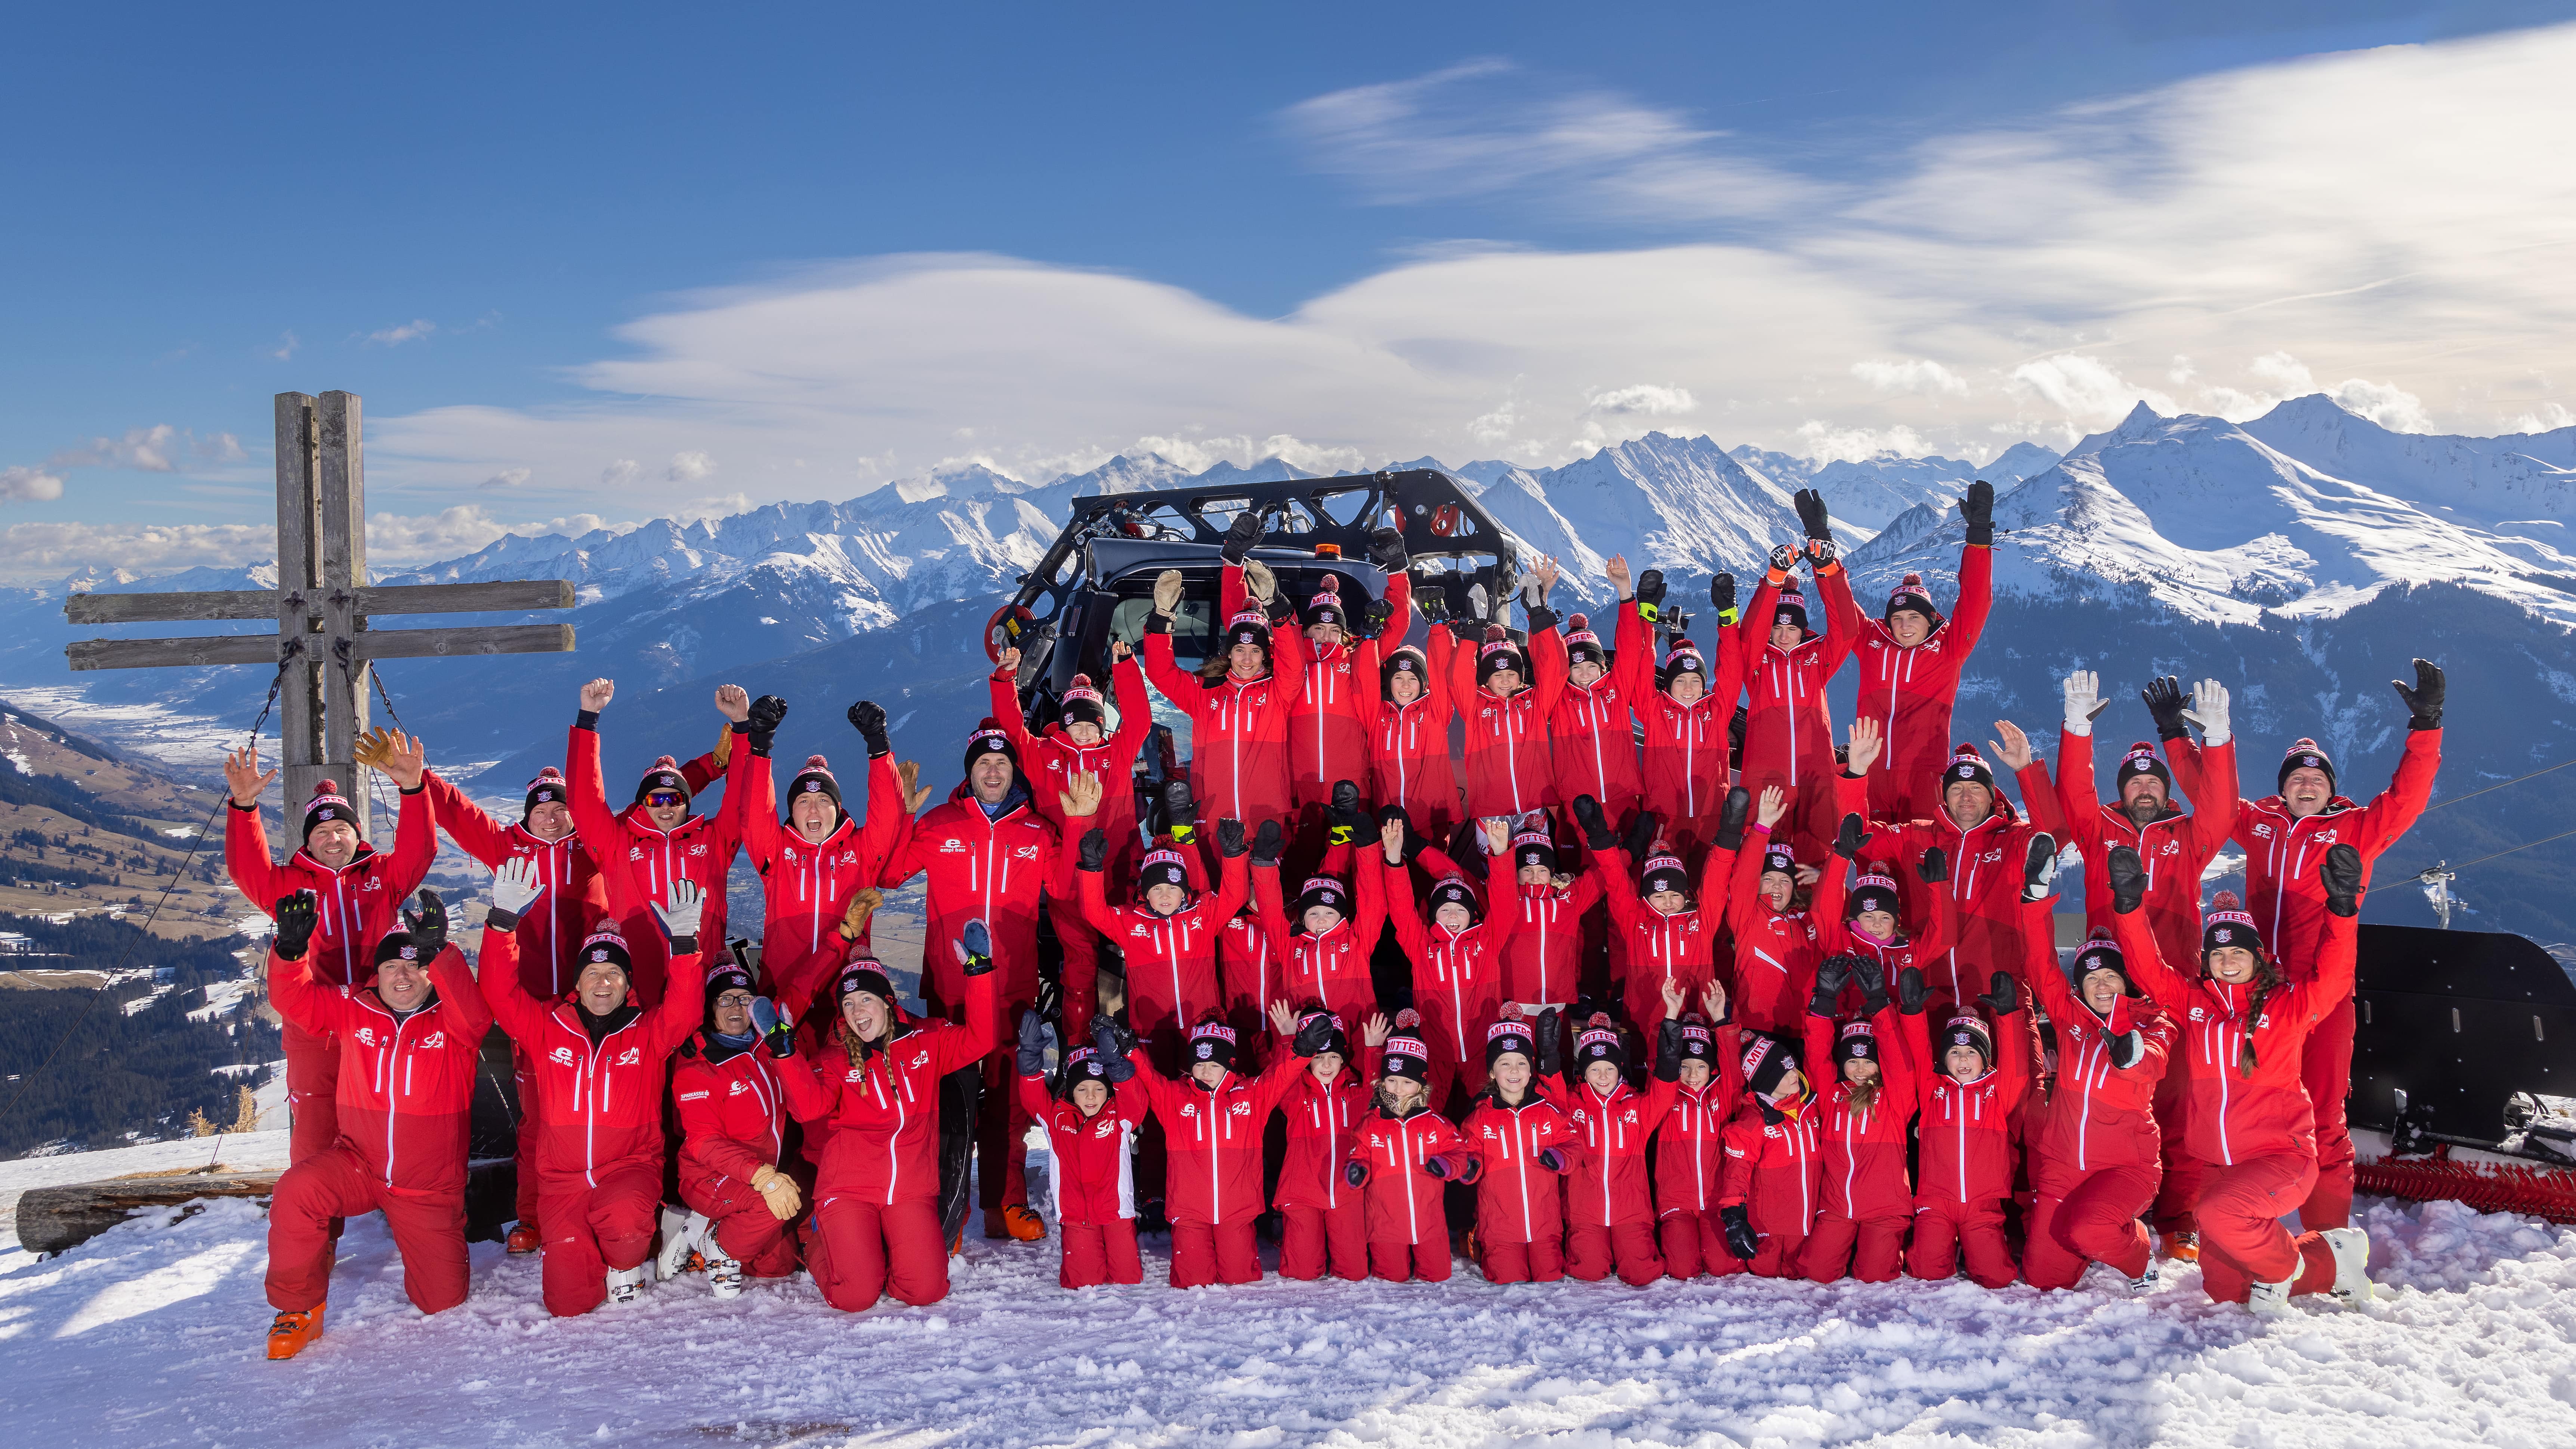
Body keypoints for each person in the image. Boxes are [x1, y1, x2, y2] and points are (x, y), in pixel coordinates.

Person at [2179, 660, 2443, 1233]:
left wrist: (2426, 727)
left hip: (2319, 996)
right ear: (2282, 787)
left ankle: (2329, 1240)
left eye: (2317, 777)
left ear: (2331, 787)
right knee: (2240, 1110)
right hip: (2254, 998)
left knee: (2323, 1116)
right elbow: (2213, 796)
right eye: (2295, 777)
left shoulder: (2355, 829)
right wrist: (2178, 739)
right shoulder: (2261, 825)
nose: (2305, 783)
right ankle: (2235, 1223)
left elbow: (2407, 798)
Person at [2106, 845, 2375, 1311]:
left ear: (2257, 957)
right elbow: (2148, 970)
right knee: (2225, 1291)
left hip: (2280, 1157)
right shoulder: (2195, 1007)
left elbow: (2332, 977)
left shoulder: (2286, 1007)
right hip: (2218, 1167)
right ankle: (2329, 1258)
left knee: (2218, 1214)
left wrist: (2342, 909)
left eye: (2238, 952)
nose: (2227, 961)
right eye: (2218, 953)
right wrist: (2128, 907)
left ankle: (2283, 1270)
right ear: (2205, 960)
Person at [378, 733, 603, 1256]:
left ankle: (597, 1209)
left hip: (590, 1006)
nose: (551, 817)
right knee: (537, 1121)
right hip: (529, 1011)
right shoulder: (508, 849)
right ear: (529, 815)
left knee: (597, 1115)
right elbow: (459, 814)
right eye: (541, 809)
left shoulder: (592, 847)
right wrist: (416, 778)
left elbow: (643, 815)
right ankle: (533, 1217)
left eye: (560, 808)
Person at [2055, 673, 2236, 1260]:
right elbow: (2073, 793)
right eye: (2133, 782)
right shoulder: (2098, 831)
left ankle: (2179, 1214)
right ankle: (2108, 1205)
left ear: (2164, 790)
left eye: (2151, 782)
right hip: (2105, 991)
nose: (2142, 790)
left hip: (2173, 989)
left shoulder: (2188, 836)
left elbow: (2221, 805)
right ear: (2122, 790)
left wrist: (2214, 740)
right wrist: (2077, 727)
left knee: (2179, 1105)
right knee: (2109, 1103)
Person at [259, 888, 484, 1359]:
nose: (402, 976)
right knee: (298, 1189)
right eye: (390, 967)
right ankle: (298, 1309)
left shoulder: (453, 1021)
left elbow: (477, 1015)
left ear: (430, 973)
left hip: (426, 1185)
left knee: (441, 1300)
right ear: (375, 974)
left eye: (414, 966)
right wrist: (290, 952)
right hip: (359, 1164)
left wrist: (441, 952)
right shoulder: (353, 1007)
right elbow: (294, 1000)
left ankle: (438, 1240)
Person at [476, 861, 708, 1316]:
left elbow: (685, 1010)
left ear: (627, 983)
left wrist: (685, 947)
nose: (604, 982)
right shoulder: (548, 1027)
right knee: (567, 1303)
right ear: (577, 983)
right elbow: (500, 993)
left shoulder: (647, 1031)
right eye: (593, 975)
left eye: (614, 975)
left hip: (628, 1168)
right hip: (563, 1182)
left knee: (623, 1234)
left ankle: (631, 1251)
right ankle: (604, 1249)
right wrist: (502, 922)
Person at [876, 713, 1059, 1242]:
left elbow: (1067, 886)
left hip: (1012, 991)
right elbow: (888, 874)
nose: (994, 771)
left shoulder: (1035, 831)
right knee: (949, 1105)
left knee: (1007, 1106)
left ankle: (1006, 1205)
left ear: (1013, 771)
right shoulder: (938, 823)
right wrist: (902, 817)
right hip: (951, 991)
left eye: (1002, 763)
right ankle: (948, 1212)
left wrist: (1079, 823)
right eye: (985, 763)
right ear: (970, 771)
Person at [222, 731, 436, 1167]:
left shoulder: (383, 874)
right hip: (313, 1019)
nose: (333, 838)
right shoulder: (288, 883)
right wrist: (244, 807)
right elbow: (248, 869)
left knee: (383, 1114)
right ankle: (316, 1219)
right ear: (308, 841)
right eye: (322, 832)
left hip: (379, 1012)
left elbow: (421, 849)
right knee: (317, 1125)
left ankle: (385, 1201)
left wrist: (413, 790)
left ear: (357, 833)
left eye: (342, 828)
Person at [773, 923, 1002, 1311]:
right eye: (848, 1005)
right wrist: (785, 1054)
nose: (857, 1012)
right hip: (848, 1190)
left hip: (909, 1189)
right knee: (856, 1295)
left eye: (865, 1000)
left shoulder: (924, 1042)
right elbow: (807, 1107)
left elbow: (980, 1039)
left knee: (926, 1289)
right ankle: (818, 1244)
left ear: (888, 1000)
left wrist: (979, 975)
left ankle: (878, 1259)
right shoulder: (833, 1059)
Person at [2014, 885, 2174, 1294]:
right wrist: (2034, 903)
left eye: (2110, 976)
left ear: (2125, 980)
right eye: (2090, 978)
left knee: (2087, 1229)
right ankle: (2100, 1229)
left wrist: (2131, 1055)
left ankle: (2137, 1255)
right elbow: (2040, 964)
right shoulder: (2070, 1019)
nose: (2101, 986)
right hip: (2064, 1165)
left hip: (2124, 1166)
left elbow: (2152, 1061)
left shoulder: (2150, 1023)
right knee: (2042, 1279)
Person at [991, 641, 1153, 1041]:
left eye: (1091, 725)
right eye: (1076, 724)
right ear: (1063, 724)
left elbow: (1141, 721)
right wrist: (1004, 679)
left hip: (1117, 875)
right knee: (1079, 965)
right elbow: (1012, 727)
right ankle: (1078, 1050)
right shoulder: (1043, 754)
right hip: (1068, 882)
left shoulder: (1115, 752)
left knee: (1128, 960)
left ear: (1101, 726)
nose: (1083, 732)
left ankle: (1132, 1046)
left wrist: (1126, 668)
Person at [1851, 720, 2061, 1025]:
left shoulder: (2013, 838)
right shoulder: (1917, 836)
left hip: (2001, 994)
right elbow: (1859, 838)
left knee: (2019, 1071)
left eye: (1976, 788)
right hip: (1927, 997)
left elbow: (2053, 838)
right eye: (1957, 788)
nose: (1966, 797)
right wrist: (1856, 774)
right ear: (1944, 797)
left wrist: (2025, 770)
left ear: (1992, 796)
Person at [564, 679, 756, 1006]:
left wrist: (743, 727)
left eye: (676, 798)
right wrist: (588, 719)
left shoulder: (713, 839)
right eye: (656, 799)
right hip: (639, 988)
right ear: (642, 804)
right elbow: (584, 801)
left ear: (687, 801)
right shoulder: (618, 843)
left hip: (701, 980)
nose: (666, 806)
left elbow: (743, 797)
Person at [1097, 1004, 1315, 1288]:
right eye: (1199, 1064)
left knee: (1239, 1280)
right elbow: (1150, 1077)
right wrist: (1129, 1048)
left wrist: (1302, 1050)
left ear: (1230, 1063)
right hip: (1189, 1212)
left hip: (1237, 1211)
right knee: (1193, 1282)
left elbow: (1281, 1075)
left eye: (1214, 1065)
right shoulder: (1175, 1096)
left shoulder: (1250, 1096)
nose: (1206, 1072)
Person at [737, 699, 923, 1014]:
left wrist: (879, 746)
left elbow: (888, 817)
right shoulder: (777, 853)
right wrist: (760, 745)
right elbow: (755, 812)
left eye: (824, 799)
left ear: (837, 810)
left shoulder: (860, 850)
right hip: (783, 992)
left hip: (847, 1000)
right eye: (803, 800)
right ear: (791, 811)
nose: (813, 809)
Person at [1836, 483, 1996, 822]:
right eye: (1897, 618)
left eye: (1914, 618)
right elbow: (1842, 607)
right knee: (1871, 861)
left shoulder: (1950, 648)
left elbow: (1976, 602)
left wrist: (1978, 541)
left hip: (1924, 778)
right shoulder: (1871, 643)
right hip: (1871, 771)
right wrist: (1828, 566)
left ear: (1930, 620)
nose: (1905, 626)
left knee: (1923, 868)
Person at [1067, 770, 1252, 1060]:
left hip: (1201, 1026)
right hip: (1152, 1030)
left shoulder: (1201, 916)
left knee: (1199, 1088)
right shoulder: (1132, 921)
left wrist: (1234, 856)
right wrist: (1090, 870)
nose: (1165, 895)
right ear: (1144, 892)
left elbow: (1235, 896)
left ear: (1185, 892)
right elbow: (1093, 912)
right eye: (1157, 889)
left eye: (1172, 888)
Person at [661, 956, 806, 1299]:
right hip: (707, 1175)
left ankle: (697, 1229)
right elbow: (703, 1143)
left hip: (755, 1174)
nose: (736, 1007)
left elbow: (804, 986)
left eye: (744, 998)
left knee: (778, 1267)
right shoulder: (699, 1066)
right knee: (773, 1204)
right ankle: (716, 1246)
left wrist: (843, 936)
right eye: (724, 999)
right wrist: (763, 1177)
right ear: (711, 1009)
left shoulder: (765, 1044)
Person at [1141, 558, 1309, 836]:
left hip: (1265, 814)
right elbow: (1161, 672)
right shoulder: (1204, 692)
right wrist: (1161, 617)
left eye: (1255, 650)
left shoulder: (1277, 692)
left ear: (1265, 654)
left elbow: (1293, 661)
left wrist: (1277, 606)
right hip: (1213, 814)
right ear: (1228, 652)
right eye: (1240, 650)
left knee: (1265, 880)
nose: (1247, 658)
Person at [1735, 492, 1858, 860]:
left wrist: (1829, 570)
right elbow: (1749, 634)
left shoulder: (1817, 658)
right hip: (1765, 780)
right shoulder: (1757, 663)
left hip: (1813, 776)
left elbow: (1846, 629)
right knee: (1759, 863)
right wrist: (1773, 580)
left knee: (1815, 859)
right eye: (1778, 628)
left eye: (1792, 628)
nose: (1784, 634)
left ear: (1803, 630)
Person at [1537, 986, 1687, 1286]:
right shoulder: (1573, 1104)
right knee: (1589, 1271)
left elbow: (1665, 1088)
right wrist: (1548, 1054)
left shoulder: (1636, 1106)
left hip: (1631, 1212)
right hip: (1585, 1212)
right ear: (1583, 1071)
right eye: (1595, 1069)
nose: (1603, 1076)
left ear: (1620, 1067)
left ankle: (1626, 1249)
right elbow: (1551, 1092)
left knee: (1642, 1274)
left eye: (1609, 1068)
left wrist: (1671, 1019)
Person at [1898, 965, 2029, 1289]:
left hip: (1982, 1203)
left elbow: (2015, 1064)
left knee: (1996, 1277)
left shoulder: (1996, 1094)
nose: (1963, 1059)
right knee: (1926, 1271)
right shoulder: (1932, 1088)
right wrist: (1912, 1013)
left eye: (1972, 1052)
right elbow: (1918, 1052)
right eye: (1954, 1052)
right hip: (1935, 1200)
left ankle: (1971, 1245)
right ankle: (1945, 1245)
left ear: (1985, 1059)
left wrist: (2008, 1015)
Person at [1377, 813, 1520, 1102]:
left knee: (1485, 1116)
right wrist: (1393, 860)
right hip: (1435, 1053)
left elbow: (1506, 906)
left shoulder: (1486, 941)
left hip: (1481, 1050)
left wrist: (1501, 855)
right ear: (1432, 916)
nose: (1453, 915)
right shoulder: (1421, 945)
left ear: (1473, 916)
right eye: (1445, 909)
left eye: (1461, 909)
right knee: (1425, 1114)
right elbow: (1402, 910)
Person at [1610, 555, 1743, 864]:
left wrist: (1728, 616)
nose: (1686, 688)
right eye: (1679, 681)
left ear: (1703, 683)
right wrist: (1645, 612)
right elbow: (1642, 665)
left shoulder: (1717, 710)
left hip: (1711, 817)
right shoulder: (1654, 710)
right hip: (1663, 818)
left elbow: (1733, 668)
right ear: (1667, 685)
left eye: (1694, 680)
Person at [1795, 957, 1916, 1284]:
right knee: (1817, 1274)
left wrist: (1879, 1004)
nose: (1860, 1069)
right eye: (1852, 1060)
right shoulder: (1831, 1094)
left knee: (1875, 1276)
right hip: (1837, 1208)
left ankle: (1887, 1249)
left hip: (1885, 1209)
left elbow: (1894, 1054)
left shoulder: (1895, 1098)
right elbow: (1816, 1053)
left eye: (1867, 1061)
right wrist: (1823, 1002)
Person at [1014, 1013, 1151, 1289]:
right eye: (1083, 1089)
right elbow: (1032, 1097)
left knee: (1127, 1280)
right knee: (1083, 1282)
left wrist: (1116, 1066)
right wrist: (1029, 1058)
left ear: (1108, 1091)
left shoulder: (1120, 1116)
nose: (1091, 1096)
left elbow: (1136, 1098)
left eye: (1099, 1088)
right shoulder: (1056, 1118)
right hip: (1077, 1216)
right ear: (1070, 1092)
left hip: (1116, 1213)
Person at [1343, 1009, 1477, 1282]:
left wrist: (1446, 1166)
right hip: (1385, 1225)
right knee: (1392, 1278)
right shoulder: (1372, 1122)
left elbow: (1458, 1153)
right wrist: (1357, 1170)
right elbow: (1359, 1153)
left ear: (1420, 1085)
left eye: (1407, 1082)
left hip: (1429, 1225)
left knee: (1437, 1276)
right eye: (1391, 1080)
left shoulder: (1436, 1122)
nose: (1398, 1089)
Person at [1572, 795, 1724, 1035]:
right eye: (1659, 896)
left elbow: (1717, 880)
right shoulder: (1635, 921)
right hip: (1645, 1028)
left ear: (1686, 895)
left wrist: (1730, 836)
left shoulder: (1701, 921)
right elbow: (1617, 880)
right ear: (1646, 898)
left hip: (1695, 1025)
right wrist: (1600, 839)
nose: (1668, 903)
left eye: (1674, 895)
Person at [1456, 1007, 1583, 1283]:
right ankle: (1480, 1243)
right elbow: (1467, 1151)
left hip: (1544, 1225)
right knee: (1507, 1279)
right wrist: (1470, 1166)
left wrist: (1561, 1157)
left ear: (1531, 1068)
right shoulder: (1480, 1116)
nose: (1514, 1071)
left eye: (1521, 1063)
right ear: (1492, 1072)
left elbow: (1572, 1142)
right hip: (1500, 1228)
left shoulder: (1547, 1110)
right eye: (1505, 1063)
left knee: (1548, 1278)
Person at [1444, 560, 1569, 822]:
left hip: (1535, 807)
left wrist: (1539, 615)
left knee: (1533, 866)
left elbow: (1556, 668)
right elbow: (1457, 677)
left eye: (1511, 674)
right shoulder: (1476, 706)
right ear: (1485, 679)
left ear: (1521, 676)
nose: (1504, 681)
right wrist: (1473, 633)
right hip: (1491, 811)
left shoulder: (1534, 702)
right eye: (1497, 675)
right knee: (1496, 864)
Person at [1257, 794, 1388, 1028]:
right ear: (1303, 916)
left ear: (1342, 917)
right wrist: (1264, 866)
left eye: (1330, 913)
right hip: (1308, 1044)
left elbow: (1374, 903)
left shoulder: (1357, 941)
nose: (1322, 920)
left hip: (1355, 1036)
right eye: (1314, 913)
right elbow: (1270, 913)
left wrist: (1368, 849)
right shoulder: (1290, 946)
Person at [1272, 1007, 1381, 1283]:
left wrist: (1373, 1051)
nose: (1326, 1064)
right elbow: (1281, 1078)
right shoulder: (1295, 1096)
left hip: (1346, 1193)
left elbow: (1377, 1092)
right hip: (1302, 1192)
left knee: (1355, 1273)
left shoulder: (1355, 1093)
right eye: (1318, 1057)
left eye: (1334, 1056)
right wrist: (1288, 1040)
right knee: (1303, 1273)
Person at [1647, 988, 1744, 1280]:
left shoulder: (1722, 1096)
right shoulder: (1664, 1097)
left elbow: (1731, 1064)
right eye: (1684, 1066)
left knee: (1724, 1267)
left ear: (1711, 1068)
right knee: (1681, 1269)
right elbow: (1662, 1062)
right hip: (1676, 1201)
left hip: (1715, 1203)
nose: (1692, 1074)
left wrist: (1719, 1017)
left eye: (1700, 1066)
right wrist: (1670, 1015)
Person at [1715, 1031, 1820, 1279]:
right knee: (1764, 1272)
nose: (1794, 1075)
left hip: (1807, 1222)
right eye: (1783, 1074)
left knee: (1807, 1272)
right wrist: (1733, 1214)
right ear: (1767, 1083)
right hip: (1769, 1225)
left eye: (1792, 1067)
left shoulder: (1811, 1105)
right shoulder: (1753, 1120)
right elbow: (1737, 1171)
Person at [1723, 784, 1825, 1034]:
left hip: (1804, 1032)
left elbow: (1843, 916)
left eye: (1785, 880)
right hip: (1755, 1029)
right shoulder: (1746, 915)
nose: (1776, 886)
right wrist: (1761, 829)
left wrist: (1827, 880)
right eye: (1768, 878)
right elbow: (1743, 877)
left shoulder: (1807, 919)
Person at [1549, 605, 1645, 827]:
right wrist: (1540, 613)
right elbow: (1546, 662)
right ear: (1566, 670)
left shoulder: (1617, 689)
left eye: (1592, 666)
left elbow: (1630, 648)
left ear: (1602, 666)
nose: (1585, 674)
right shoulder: (1558, 699)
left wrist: (1626, 597)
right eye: (1576, 667)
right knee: (1581, 864)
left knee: (1627, 861)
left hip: (1623, 801)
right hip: (1577, 805)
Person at [1493, 821, 1601, 1015]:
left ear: (1551, 871)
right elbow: (1496, 882)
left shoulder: (1569, 898)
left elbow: (1604, 873)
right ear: (1515, 872)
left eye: (1542, 870)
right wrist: (1501, 855)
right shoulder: (1506, 901)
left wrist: (1608, 842)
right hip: (1514, 1007)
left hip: (1557, 1006)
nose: (1535, 878)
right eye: (1527, 870)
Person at [1369, 636, 1460, 845]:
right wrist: (1370, 640)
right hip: (1386, 820)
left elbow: (1442, 667)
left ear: (1424, 683)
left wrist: (1439, 630)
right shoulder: (1377, 714)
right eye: (1398, 677)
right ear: (1388, 681)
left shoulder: (1435, 711)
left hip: (1428, 821)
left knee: (1428, 876)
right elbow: (1365, 677)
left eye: (1413, 679)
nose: (1405, 685)